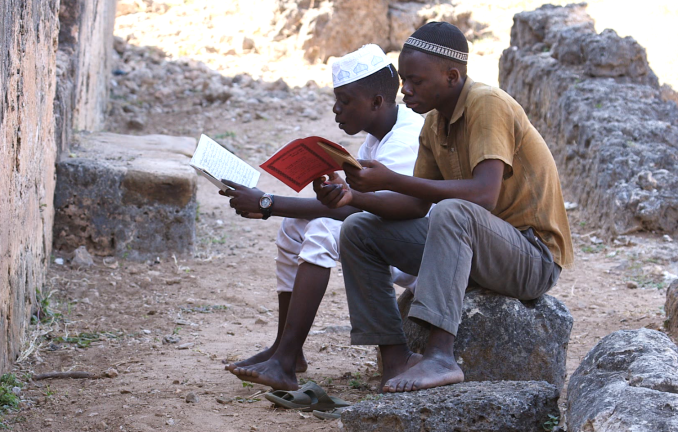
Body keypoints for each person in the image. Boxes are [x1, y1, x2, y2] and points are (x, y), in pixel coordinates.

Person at [315, 22, 574, 393]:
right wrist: (354, 198)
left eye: (417, 81)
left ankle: (440, 356)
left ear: (452, 76)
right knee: (358, 229)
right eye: (404, 79)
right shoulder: (434, 123)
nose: (406, 90)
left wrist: (390, 179)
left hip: (531, 256)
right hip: (477, 248)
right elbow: (417, 204)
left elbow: (483, 195)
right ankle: (395, 359)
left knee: (454, 210)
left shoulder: (487, 104)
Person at [219, 44, 424, 390]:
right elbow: (358, 201)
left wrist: (268, 202)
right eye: (336, 99)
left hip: (418, 254)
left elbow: (358, 208)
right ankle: (287, 350)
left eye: (345, 101)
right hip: (388, 238)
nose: (336, 109)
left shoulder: (405, 138)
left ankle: (283, 362)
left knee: (323, 231)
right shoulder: (377, 137)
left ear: (376, 102)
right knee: (292, 228)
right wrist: (327, 191)